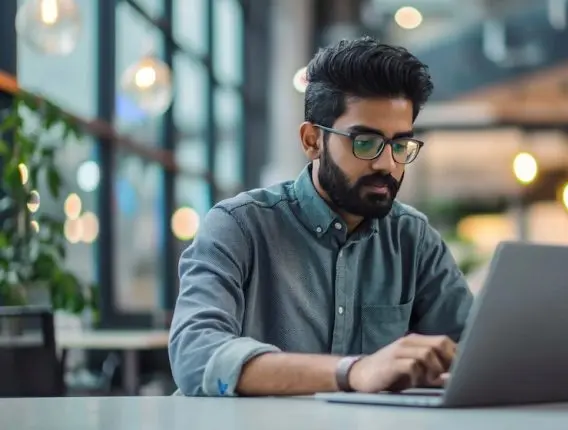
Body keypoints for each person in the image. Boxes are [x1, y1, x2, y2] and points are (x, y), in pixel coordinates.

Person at [168, 36, 474, 397]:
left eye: (399, 144)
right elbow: (195, 355)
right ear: (313, 140)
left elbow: (477, 352)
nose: (387, 164)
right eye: (364, 142)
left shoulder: (414, 241)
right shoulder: (239, 226)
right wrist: (353, 372)